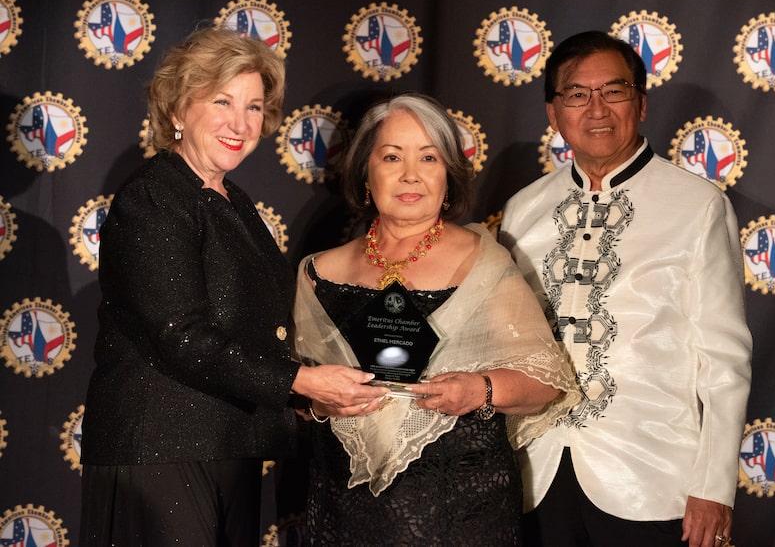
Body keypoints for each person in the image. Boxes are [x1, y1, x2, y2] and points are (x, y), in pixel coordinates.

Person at [79, 27, 385, 546]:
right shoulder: (155, 198)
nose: (240, 123)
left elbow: (251, 332)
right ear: (177, 110)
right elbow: (182, 335)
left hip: (228, 440)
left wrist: (305, 398)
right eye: (222, 101)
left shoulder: (231, 200)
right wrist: (301, 383)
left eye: (254, 107)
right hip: (160, 449)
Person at [499, 30, 753, 547]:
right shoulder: (523, 210)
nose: (596, 109)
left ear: (640, 103)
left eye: (613, 91)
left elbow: (724, 362)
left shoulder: (697, 206)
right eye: (577, 94)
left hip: (652, 480)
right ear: (554, 113)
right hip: (535, 474)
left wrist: (714, 487)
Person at [291, 91, 579, 545]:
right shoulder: (317, 273)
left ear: (448, 175)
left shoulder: (486, 264)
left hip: (463, 510)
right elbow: (296, 391)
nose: (410, 174)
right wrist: (317, 404)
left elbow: (545, 382)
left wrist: (478, 390)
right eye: (391, 157)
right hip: (346, 506)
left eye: (428, 157)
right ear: (367, 172)